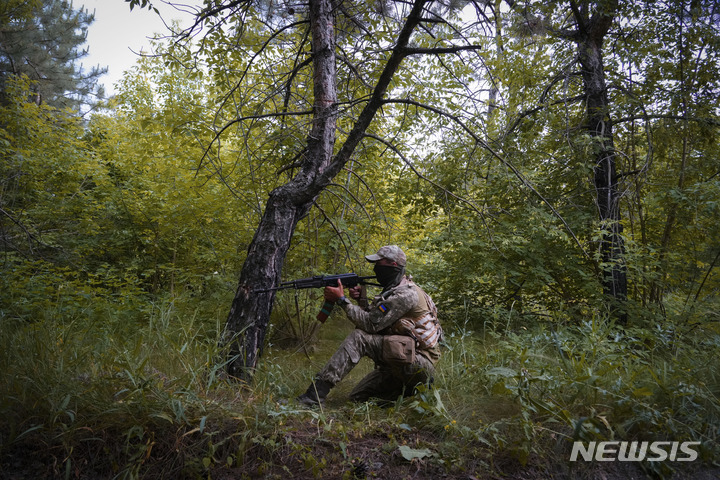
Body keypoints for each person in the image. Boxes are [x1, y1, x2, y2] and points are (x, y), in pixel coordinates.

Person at [297, 245, 443, 406]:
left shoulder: (405, 294)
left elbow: (370, 325)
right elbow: (377, 321)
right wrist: (361, 300)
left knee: (359, 338)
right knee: (357, 399)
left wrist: (342, 300)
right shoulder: (396, 289)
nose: (375, 268)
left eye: (379, 264)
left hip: (419, 366)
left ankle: (314, 397)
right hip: (402, 363)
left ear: (393, 265)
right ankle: (408, 393)